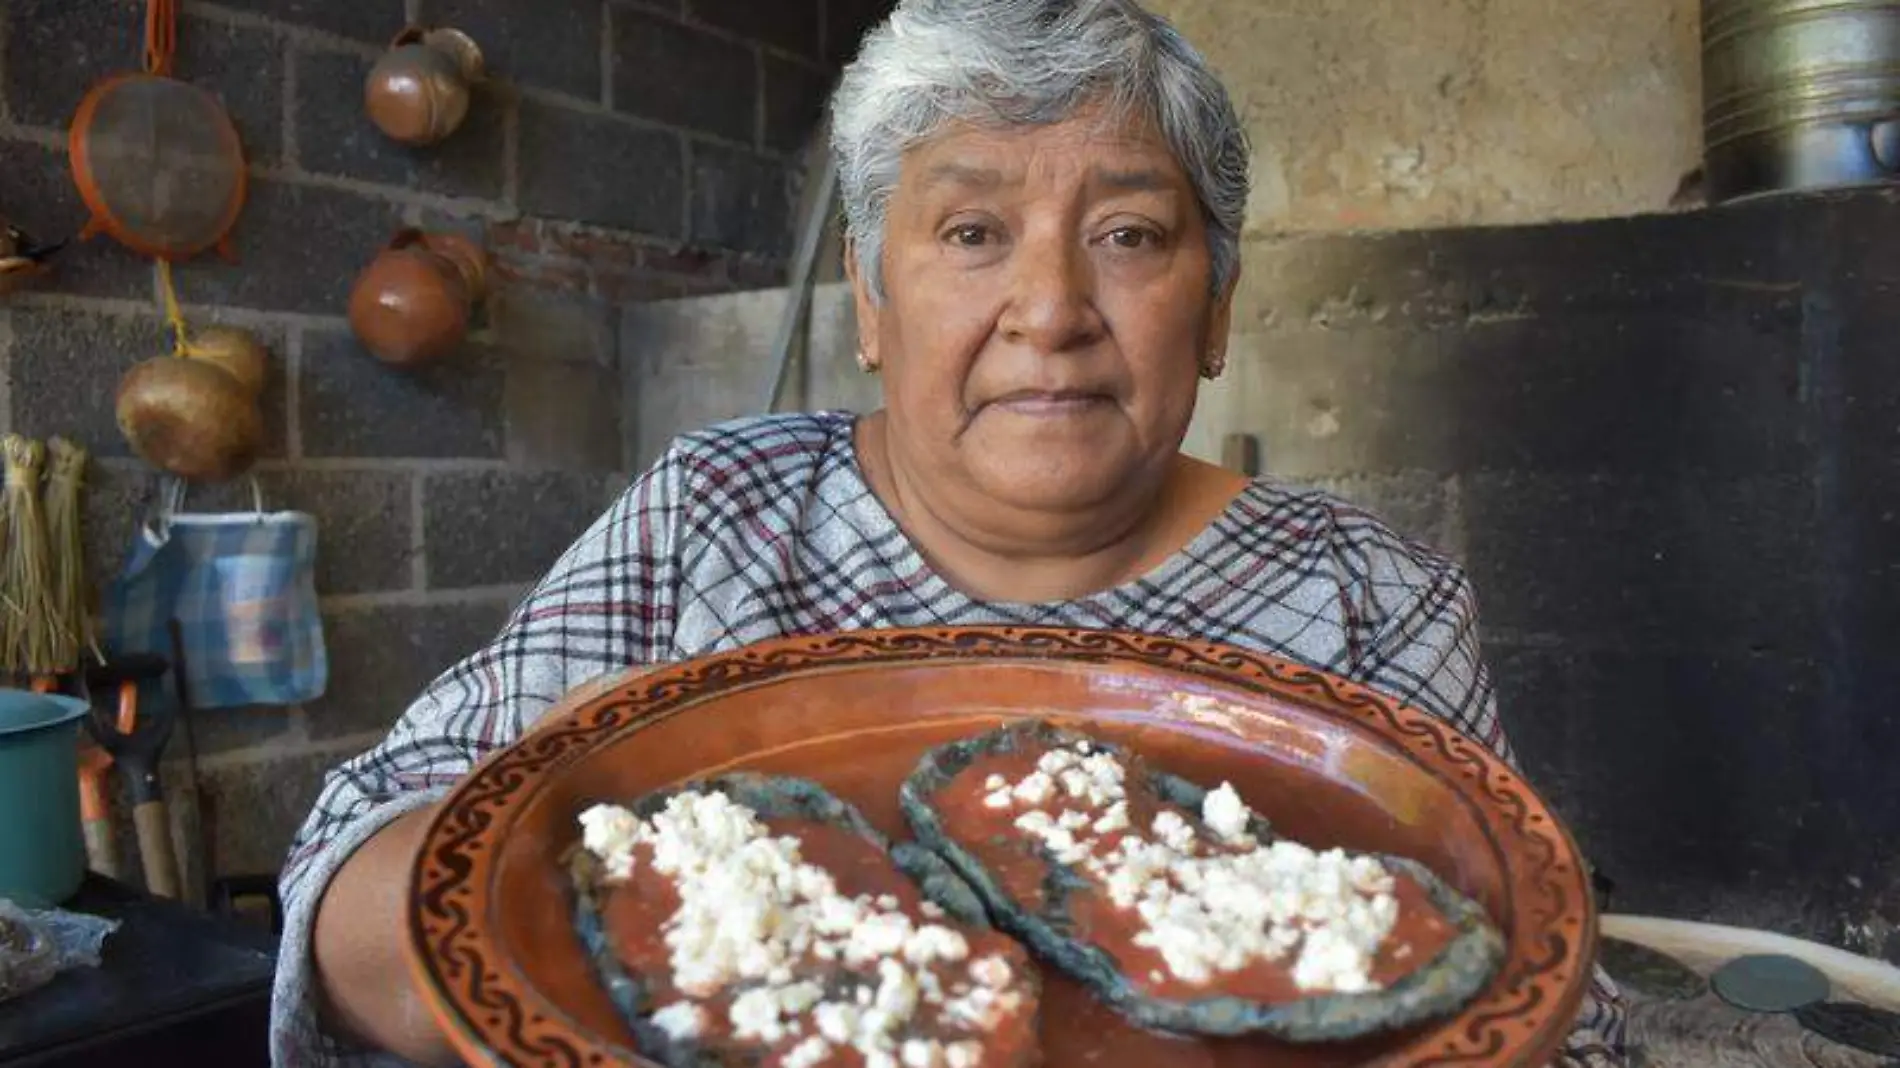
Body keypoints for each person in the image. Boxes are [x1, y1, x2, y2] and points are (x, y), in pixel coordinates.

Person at [272, 1, 1629, 1065]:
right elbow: (348, 874)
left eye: (1132, 235)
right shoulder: (716, 520)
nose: (1049, 307)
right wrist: (598, 843)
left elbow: (1562, 1010)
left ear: (1214, 314)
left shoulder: (1361, 597)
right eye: (974, 230)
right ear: (869, 301)